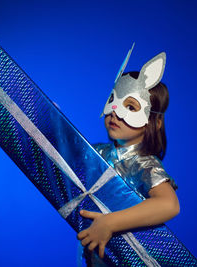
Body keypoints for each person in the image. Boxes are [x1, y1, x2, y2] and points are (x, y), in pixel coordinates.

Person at [77, 48, 179, 266]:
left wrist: (110, 223)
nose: (115, 112)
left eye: (130, 106)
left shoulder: (144, 164)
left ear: (154, 121)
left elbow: (170, 205)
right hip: (93, 253)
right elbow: (67, 156)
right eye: (113, 99)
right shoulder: (99, 153)